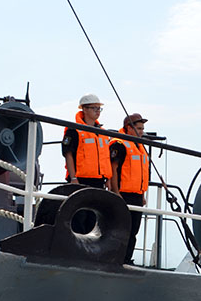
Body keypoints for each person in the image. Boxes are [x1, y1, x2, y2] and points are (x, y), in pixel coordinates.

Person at [110, 113, 149, 264]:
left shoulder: (140, 147)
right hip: (123, 194)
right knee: (121, 229)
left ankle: (127, 258)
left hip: (137, 196)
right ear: (129, 129)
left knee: (133, 230)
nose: (141, 132)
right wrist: (116, 192)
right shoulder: (120, 144)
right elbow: (113, 169)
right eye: (139, 128)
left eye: (142, 129)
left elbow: (142, 174)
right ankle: (116, 258)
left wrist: (143, 195)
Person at [61, 94, 114, 189]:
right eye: (94, 108)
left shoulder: (103, 133)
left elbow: (106, 158)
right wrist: (73, 178)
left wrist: (108, 179)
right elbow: (68, 154)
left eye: (99, 108)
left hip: (99, 181)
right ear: (84, 109)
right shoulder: (74, 130)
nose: (97, 111)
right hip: (81, 180)